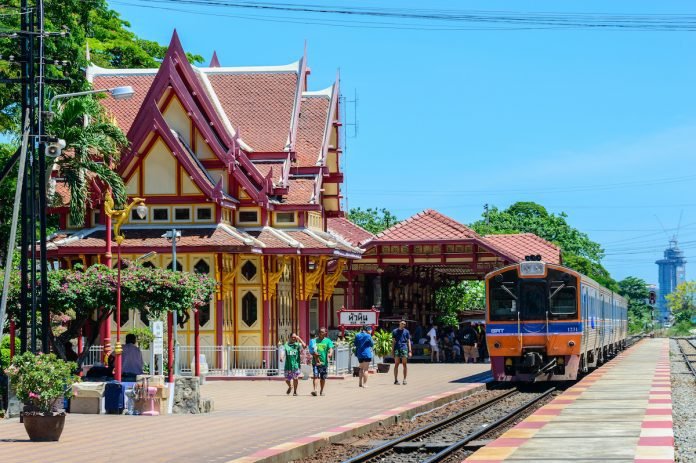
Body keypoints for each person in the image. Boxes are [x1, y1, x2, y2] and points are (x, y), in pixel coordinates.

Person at [311, 327, 334, 396]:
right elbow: (311, 349)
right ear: (319, 333)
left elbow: (331, 348)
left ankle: (321, 390)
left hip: (324, 362)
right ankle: (315, 390)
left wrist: (330, 353)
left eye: (324, 332)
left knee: (322, 377)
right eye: (321, 332)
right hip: (315, 361)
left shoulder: (328, 340)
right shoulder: (314, 341)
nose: (323, 333)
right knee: (315, 376)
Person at [391, 320, 412, 385]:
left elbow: (408, 341)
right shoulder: (394, 331)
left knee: (404, 364)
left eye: (404, 324)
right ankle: (395, 380)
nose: (403, 325)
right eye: (402, 323)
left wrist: (410, 351)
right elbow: (393, 342)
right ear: (399, 323)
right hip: (397, 348)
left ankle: (404, 379)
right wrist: (392, 351)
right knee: (396, 364)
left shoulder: (406, 331)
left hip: (404, 348)